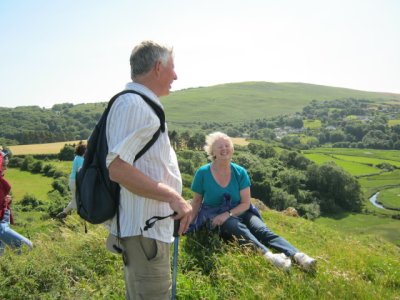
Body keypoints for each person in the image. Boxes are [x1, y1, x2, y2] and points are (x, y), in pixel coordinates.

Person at [105, 40, 192, 299]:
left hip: (147, 233)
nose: (175, 76)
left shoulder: (137, 104)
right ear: (157, 67)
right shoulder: (135, 106)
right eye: (172, 68)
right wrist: (173, 197)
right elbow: (118, 169)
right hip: (146, 235)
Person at [188, 132, 316, 272]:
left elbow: (245, 204)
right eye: (219, 146)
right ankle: (270, 257)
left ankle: (298, 256)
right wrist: (189, 223)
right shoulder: (203, 173)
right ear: (212, 151)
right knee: (236, 225)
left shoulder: (240, 172)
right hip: (215, 216)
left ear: (232, 149)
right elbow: (197, 201)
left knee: (261, 229)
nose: (224, 149)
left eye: (227, 145)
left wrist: (228, 213)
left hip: (240, 211)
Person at [0, 150, 33, 255]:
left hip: (3, 219)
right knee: (27, 246)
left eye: (6, 158)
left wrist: (6, 200)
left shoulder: (1, 180)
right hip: (1, 225)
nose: (6, 160)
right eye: (4, 158)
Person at [56, 142, 87, 219]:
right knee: (78, 199)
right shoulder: (80, 159)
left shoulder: (77, 158)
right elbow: (81, 171)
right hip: (76, 182)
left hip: (73, 181)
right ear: (84, 151)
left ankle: (64, 213)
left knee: (75, 199)